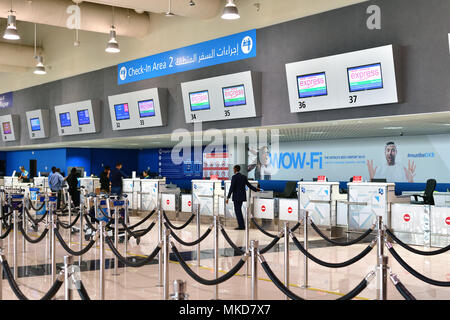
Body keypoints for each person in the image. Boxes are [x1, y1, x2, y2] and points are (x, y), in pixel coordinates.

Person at [226, 165, 260, 230]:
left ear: (235, 169)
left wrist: (228, 197)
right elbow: (249, 185)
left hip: (236, 197)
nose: (233, 170)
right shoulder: (243, 177)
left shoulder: (234, 177)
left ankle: (241, 226)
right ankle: (241, 225)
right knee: (239, 210)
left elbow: (232, 188)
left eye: (233, 169)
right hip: (242, 197)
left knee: (238, 211)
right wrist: (256, 189)